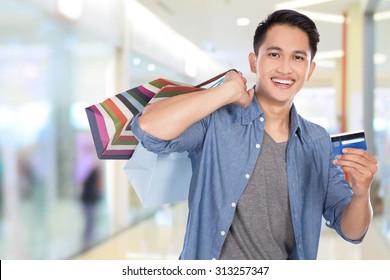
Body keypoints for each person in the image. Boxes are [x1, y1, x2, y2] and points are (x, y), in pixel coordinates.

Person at [131, 9, 378, 260]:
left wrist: (361, 193)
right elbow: (148, 128)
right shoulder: (217, 121)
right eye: (274, 54)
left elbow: (353, 231)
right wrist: (224, 92)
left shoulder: (317, 142)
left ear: (310, 69)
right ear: (253, 61)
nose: (285, 68)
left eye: (297, 58)